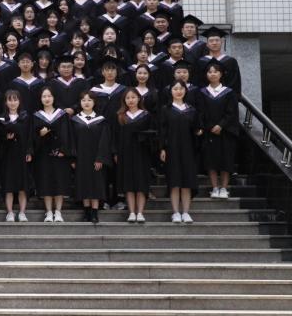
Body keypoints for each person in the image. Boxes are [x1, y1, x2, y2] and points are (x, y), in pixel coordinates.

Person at [159, 80, 202, 223]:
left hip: (188, 150)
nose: (178, 91)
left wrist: (199, 132)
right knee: (174, 181)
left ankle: (186, 212)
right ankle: (176, 212)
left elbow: (197, 128)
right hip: (171, 149)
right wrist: (162, 148)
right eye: (175, 89)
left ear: (185, 91)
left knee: (187, 182)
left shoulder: (192, 110)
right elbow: (162, 130)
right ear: (170, 91)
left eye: (181, 89)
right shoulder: (166, 109)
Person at [196, 61, 238, 199]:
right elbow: (200, 112)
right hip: (209, 133)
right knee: (211, 161)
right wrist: (208, 127)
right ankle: (214, 188)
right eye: (210, 72)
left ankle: (224, 188)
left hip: (225, 132)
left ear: (221, 74)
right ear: (206, 75)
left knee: (226, 161)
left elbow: (232, 112)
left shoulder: (229, 92)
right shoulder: (202, 92)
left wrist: (221, 125)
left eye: (215, 71)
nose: (212, 74)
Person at [69, 91, 112, 224]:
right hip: (81, 157)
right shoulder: (74, 120)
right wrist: (73, 158)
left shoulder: (101, 120)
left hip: (96, 157)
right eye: (83, 100)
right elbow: (71, 141)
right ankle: (86, 211)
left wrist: (100, 158)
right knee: (83, 183)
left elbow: (105, 141)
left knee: (96, 183)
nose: (86, 103)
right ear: (80, 103)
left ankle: (94, 212)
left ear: (94, 102)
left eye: (89, 100)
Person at [32, 87, 72, 223]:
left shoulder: (62, 115)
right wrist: (40, 135)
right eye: (44, 96)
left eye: (49, 96)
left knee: (59, 182)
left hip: (59, 155)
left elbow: (67, 135)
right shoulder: (36, 115)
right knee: (46, 182)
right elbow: (32, 137)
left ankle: (58, 212)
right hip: (43, 155)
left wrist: (64, 151)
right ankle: (49, 212)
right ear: (40, 99)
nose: (47, 99)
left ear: (54, 98)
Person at [114, 88, 153, 223]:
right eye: (128, 98)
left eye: (133, 97)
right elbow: (116, 137)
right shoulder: (120, 116)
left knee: (141, 183)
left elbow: (152, 135)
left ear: (139, 99)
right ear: (124, 100)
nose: (130, 100)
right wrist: (116, 152)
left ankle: (140, 212)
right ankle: (131, 212)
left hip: (142, 153)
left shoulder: (146, 115)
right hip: (125, 153)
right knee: (128, 183)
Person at [0, 90, 32, 222]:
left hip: (22, 154)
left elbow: (29, 136)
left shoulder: (25, 117)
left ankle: (22, 212)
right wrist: (5, 137)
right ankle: (10, 212)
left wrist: (29, 151)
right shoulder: (1, 118)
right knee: (9, 185)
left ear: (19, 101)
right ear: (6, 102)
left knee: (23, 185)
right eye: (10, 100)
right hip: (7, 155)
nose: (13, 103)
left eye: (15, 100)